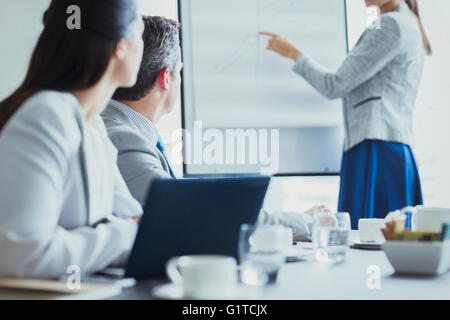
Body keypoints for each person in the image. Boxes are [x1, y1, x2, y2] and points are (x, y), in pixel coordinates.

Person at [102, 16, 332, 241]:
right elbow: (192, 215)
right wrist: (303, 221)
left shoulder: (125, 129)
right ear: (165, 78)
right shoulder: (123, 139)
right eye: (179, 71)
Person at [0, 0, 144, 278]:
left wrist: (136, 231)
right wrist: (129, 232)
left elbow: (133, 222)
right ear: (121, 45)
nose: (143, 44)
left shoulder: (93, 128)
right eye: (139, 32)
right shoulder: (47, 114)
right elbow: (22, 254)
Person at [260, 0, 431, 228]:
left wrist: (293, 53)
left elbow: (335, 84)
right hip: (388, 147)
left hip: (377, 149)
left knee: (365, 241)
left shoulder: (391, 26)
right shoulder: (404, 22)